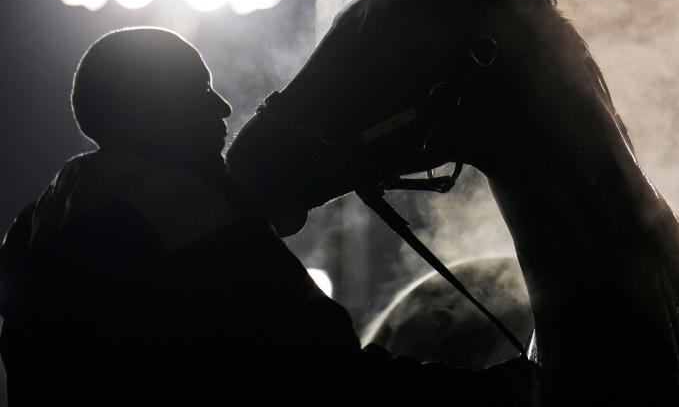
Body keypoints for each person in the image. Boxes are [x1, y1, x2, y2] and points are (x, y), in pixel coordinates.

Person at [0, 27, 538, 406]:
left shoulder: (35, 227)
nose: (224, 109)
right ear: (154, 109)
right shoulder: (192, 217)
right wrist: (498, 392)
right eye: (199, 91)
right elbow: (333, 381)